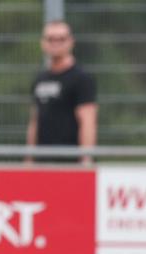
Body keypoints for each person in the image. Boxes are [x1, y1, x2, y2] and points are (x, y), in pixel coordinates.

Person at [26, 20, 98, 164]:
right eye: (50, 39)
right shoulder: (40, 79)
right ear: (43, 43)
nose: (55, 43)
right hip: (42, 162)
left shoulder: (81, 78)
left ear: (71, 41)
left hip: (69, 163)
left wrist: (86, 159)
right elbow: (35, 120)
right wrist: (29, 158)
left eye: (61, 38)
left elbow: (88, 120)